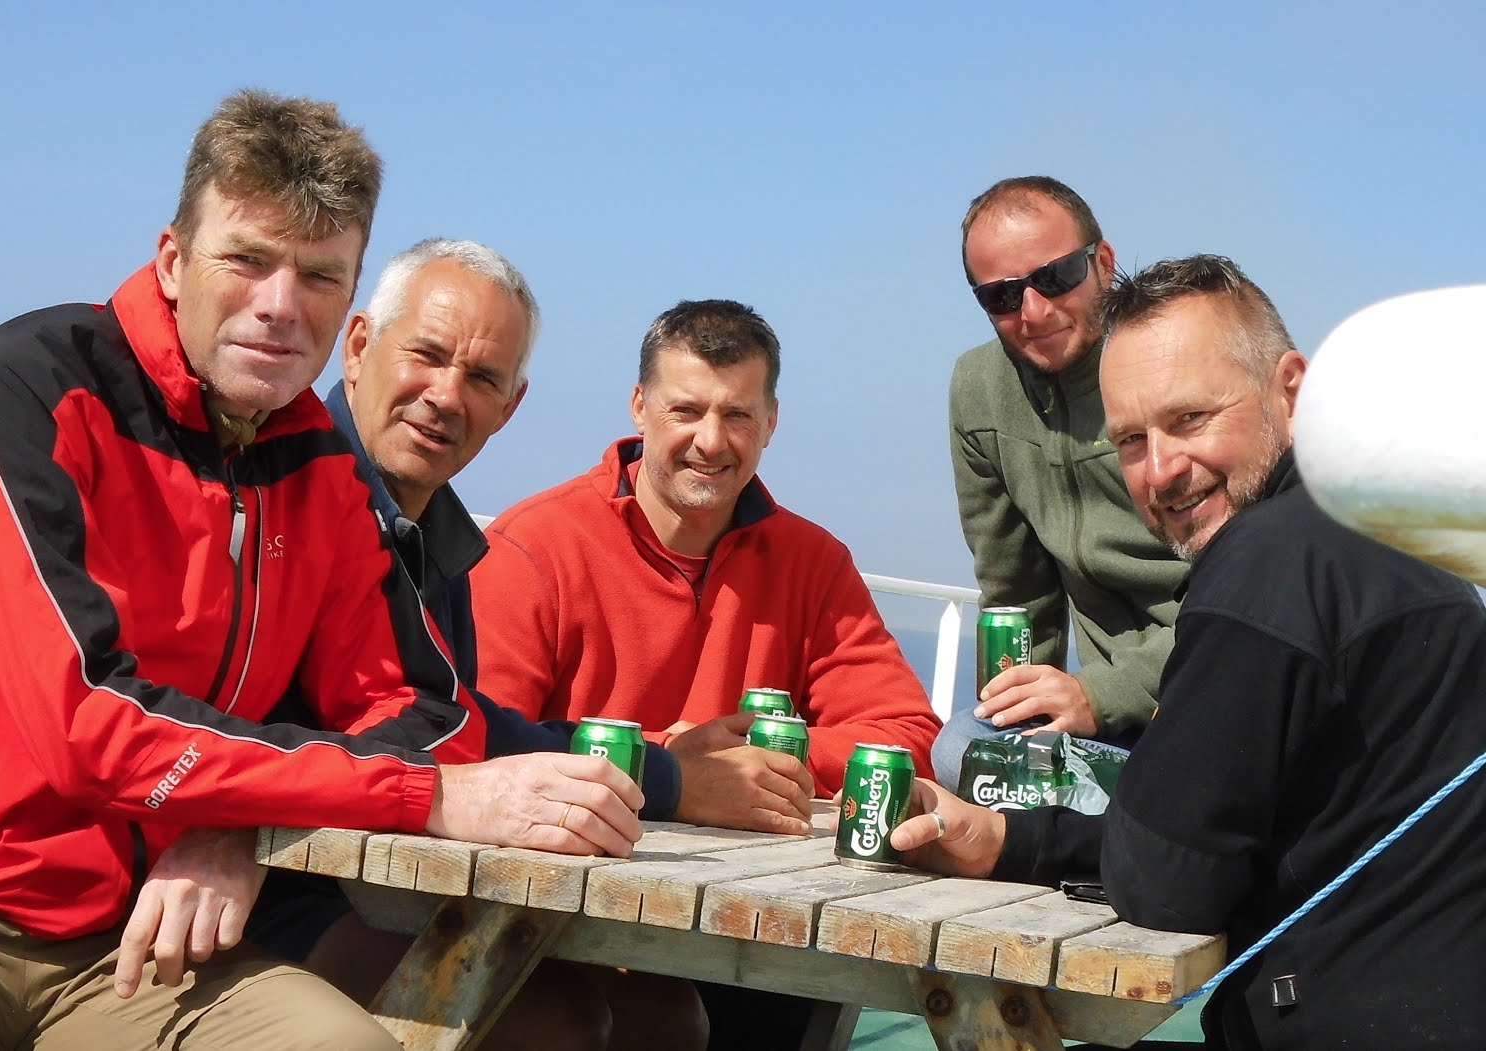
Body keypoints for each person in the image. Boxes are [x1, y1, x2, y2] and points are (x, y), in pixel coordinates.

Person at [0, 90, 642, 1051]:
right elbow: (87, 722)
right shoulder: (26, 388)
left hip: (131, 942)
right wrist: (422, 798)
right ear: (173, 261)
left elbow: (430, 716)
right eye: (247, 258)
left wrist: (240, 826)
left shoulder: (317, 466)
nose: (282, 306)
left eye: (320, 275)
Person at [894, 255, 1486, 1049]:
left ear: (1292, 390)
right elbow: (1206, 827)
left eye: (1191, 418)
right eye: (1130, 440)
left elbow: (1167, 879)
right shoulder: (1397, 532)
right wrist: (1009, 839)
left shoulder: (1267, 561)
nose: (1162, 469)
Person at [242, 238, 706, 1049]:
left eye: (483, 378)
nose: (446, 396)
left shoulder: (434, 533)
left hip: (384, 878)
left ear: (509, 407)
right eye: (426, 355)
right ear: (358, 346)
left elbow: (453, 721)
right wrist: (669, 776)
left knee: (666, 1016)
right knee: (555, 1024)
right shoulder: (280, 483)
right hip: (262, 882)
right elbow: (429, 731)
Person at [469, 298, 941, 1049]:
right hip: (548, 921)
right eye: (686, 410)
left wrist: (761, 766)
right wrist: (675, 768)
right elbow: (479, 743)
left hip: (751, 927)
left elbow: (906, 736)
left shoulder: (813, 561)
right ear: (640, 406)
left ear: (771, 422)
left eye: (738, 415)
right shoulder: (534, 545)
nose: (711, 441)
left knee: (799, 994)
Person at [935, 176, 1187, 786]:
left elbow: (1246, 596)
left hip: (1216, 684)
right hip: (1107, 721)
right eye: (1001, 296)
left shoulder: (1170, 365)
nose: (1034, 311)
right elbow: (1015, 593)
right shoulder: (980, 389)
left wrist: (1105, 694)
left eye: (1054, 277)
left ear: (1105, 262)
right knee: (962, 748)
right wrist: (1018, 717)